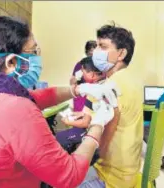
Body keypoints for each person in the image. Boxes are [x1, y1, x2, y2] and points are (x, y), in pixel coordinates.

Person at [0, 16, 118, 188]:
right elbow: (69, 176)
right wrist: (98, 125)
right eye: (33, 52)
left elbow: (38, 96)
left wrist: (78, 90)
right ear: (11, 62)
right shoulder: (17, 110)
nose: (38, 58)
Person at [73, 23, 143, 188]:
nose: (96, 51)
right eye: (97, 46)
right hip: (128, 171)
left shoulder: (113, 86)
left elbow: (102, 141)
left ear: (121, 53)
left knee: (64, 179)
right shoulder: (130, 80)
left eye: (102, 46)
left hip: (111, 177)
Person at [56, 56, 106, 163]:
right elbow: (92, 114)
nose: (82, 75)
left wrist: (67, 121)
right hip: (100, 133)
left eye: (83, 72)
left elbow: (86, 123)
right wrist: (77, 114)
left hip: (91, 134)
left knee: (57, 139)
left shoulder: (94, 93)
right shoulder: (105, 86)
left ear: (92, 74)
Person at [70, 40, 97, 112]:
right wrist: (78, 76)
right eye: (91, 52)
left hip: (94, 98)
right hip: (81, 99)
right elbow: (72, 82)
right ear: (87, 52)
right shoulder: (80, 64)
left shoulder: (99, 66)